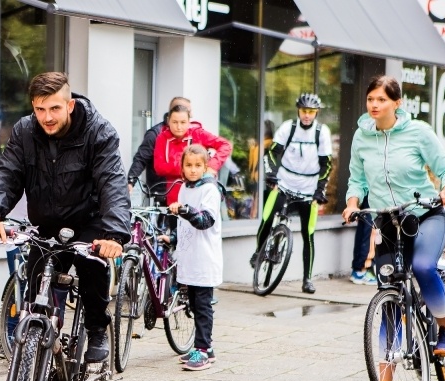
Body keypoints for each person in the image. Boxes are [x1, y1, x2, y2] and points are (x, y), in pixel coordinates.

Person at [0, 71, 130, 365]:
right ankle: (40, 351)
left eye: (54, 108)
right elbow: (7, 174)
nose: (47, 117)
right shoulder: (25, 131)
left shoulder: (99, 132)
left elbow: (112, 183)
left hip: (89, 222)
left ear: (70, 105)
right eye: (40, 109)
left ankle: (97, 329)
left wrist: (113, 235)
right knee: (38, 287)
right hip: (46, 224)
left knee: (92, 269)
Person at [342, 75, 445, 381]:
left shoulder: (417, 131)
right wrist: (352, 202)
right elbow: (357, 178)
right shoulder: (362, 135)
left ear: (397, 102)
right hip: (389, 220)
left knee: (423, 267)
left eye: (381, 99)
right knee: (391, 298)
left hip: (425, 215)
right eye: (371, 99)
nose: (375, 105)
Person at [250, 93, 333, 294]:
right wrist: (272, 175)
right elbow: (272, 153)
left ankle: (307, 279)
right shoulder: (288, 127)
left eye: (311, 112)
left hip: (308, 187)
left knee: (308, 234)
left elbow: (327, 164)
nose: (307, 115)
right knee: (267, 219)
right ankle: (259, 252)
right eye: (304, 111)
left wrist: (320, 191)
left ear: (316, 113)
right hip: (285, 183)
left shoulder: (322, 132)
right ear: (298, 110)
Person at [167, 145, 222, 371]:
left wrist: (184, 210)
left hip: (204, 260)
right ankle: (205, 349)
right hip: (190, 259)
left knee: (203, 306)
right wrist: (171, 238)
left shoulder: (209, 190)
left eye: (198, 165)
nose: (193, 170)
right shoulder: (183, 189)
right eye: (188, 165)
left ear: (205, 166)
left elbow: (204, 221)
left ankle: (203, 350)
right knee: (195, 304)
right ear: (182, 167)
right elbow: (183, 226)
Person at [153, 104, 232, 206]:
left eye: (183, 122)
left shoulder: (197, 134)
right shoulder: (162, 138)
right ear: (168, 121)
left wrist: (212, 165)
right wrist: (191, 166)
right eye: (175, 122)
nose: (179, 127)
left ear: (189, 121)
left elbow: (225, 145)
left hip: (200, 192)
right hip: (173, 197)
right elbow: (159, 167)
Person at [127, 96, 192, 202]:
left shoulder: (190, 133)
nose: (191, 115)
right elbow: (141, 158)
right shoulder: (156, 134)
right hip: (162, 192)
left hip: (185, 191)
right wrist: (130, 182)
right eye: (189, 111)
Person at [349, 195, 377, 285]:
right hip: (372, 191)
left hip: (367, 192)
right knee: (369, 227)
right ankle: (363, 270)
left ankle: (359, 269)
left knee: (365, 225)